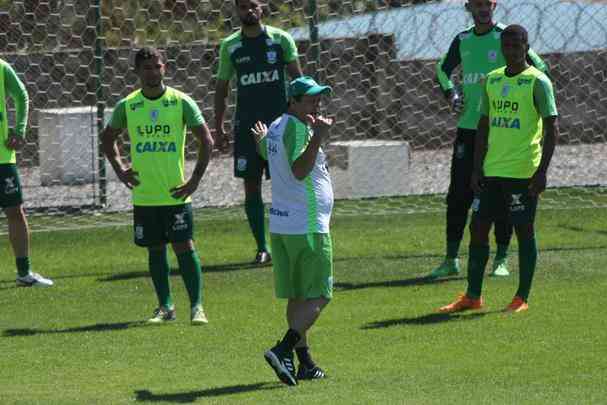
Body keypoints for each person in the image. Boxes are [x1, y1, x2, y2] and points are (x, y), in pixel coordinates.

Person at [438, 24, 558, 313]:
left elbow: (552, 127)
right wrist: (478, 168)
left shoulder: (537, 81)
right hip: (492, 171)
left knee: (523, 229)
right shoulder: (491, 80)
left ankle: (521, 298)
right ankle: (473, 296)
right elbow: (483, 126)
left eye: (517, 46)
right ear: (502, 49)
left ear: (525, 47)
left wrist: (542, 171)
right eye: (507, 47)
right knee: (477, 228)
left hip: (522, 171)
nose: (511, 51)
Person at [101, 47, 214, 324]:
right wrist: (120, 170)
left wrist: (195, 180)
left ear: (165, 68)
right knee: (155, 248)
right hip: (145, 194)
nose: (153, 72)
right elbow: (107, 138)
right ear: (137, 71)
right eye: (147, 68)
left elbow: (206, 141)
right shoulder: (128, 105)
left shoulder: (181, 101)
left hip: (176, 193)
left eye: (157, 67)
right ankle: (165, 307)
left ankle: (197, 307)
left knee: (184, 246)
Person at [251, 76, 333, 386]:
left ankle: (306, 363)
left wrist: (261, 142)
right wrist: (319, 137)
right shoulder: (299, 128)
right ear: (293, 101)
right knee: (321, 295)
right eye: (310, 99)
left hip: (283, 226)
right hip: (308, 225)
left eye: (318, 99)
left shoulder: (276, 126)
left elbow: (271, 157)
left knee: (298, 297)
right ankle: (283, 349)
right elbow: (299, 171)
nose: (317, 104)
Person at [214, 0, 303, 265]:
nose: (248, 11)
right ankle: (262, 247)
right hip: (247, 128)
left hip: (281, 127)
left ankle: (289, 242)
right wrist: (218, 127)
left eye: (253, 5)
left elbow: (298, 80)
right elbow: (222, 88)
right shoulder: (230, 45)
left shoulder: (281, 39)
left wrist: (304, 118)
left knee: (287, 184)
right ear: (237, 11)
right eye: (242, 7)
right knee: (251, 186)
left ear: (262, 7)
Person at [0, 58, 53, 287]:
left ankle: (24, 273)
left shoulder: (1, 67)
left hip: (2, 158)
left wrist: (19, 130)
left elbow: (22, 96)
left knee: (15, 211)